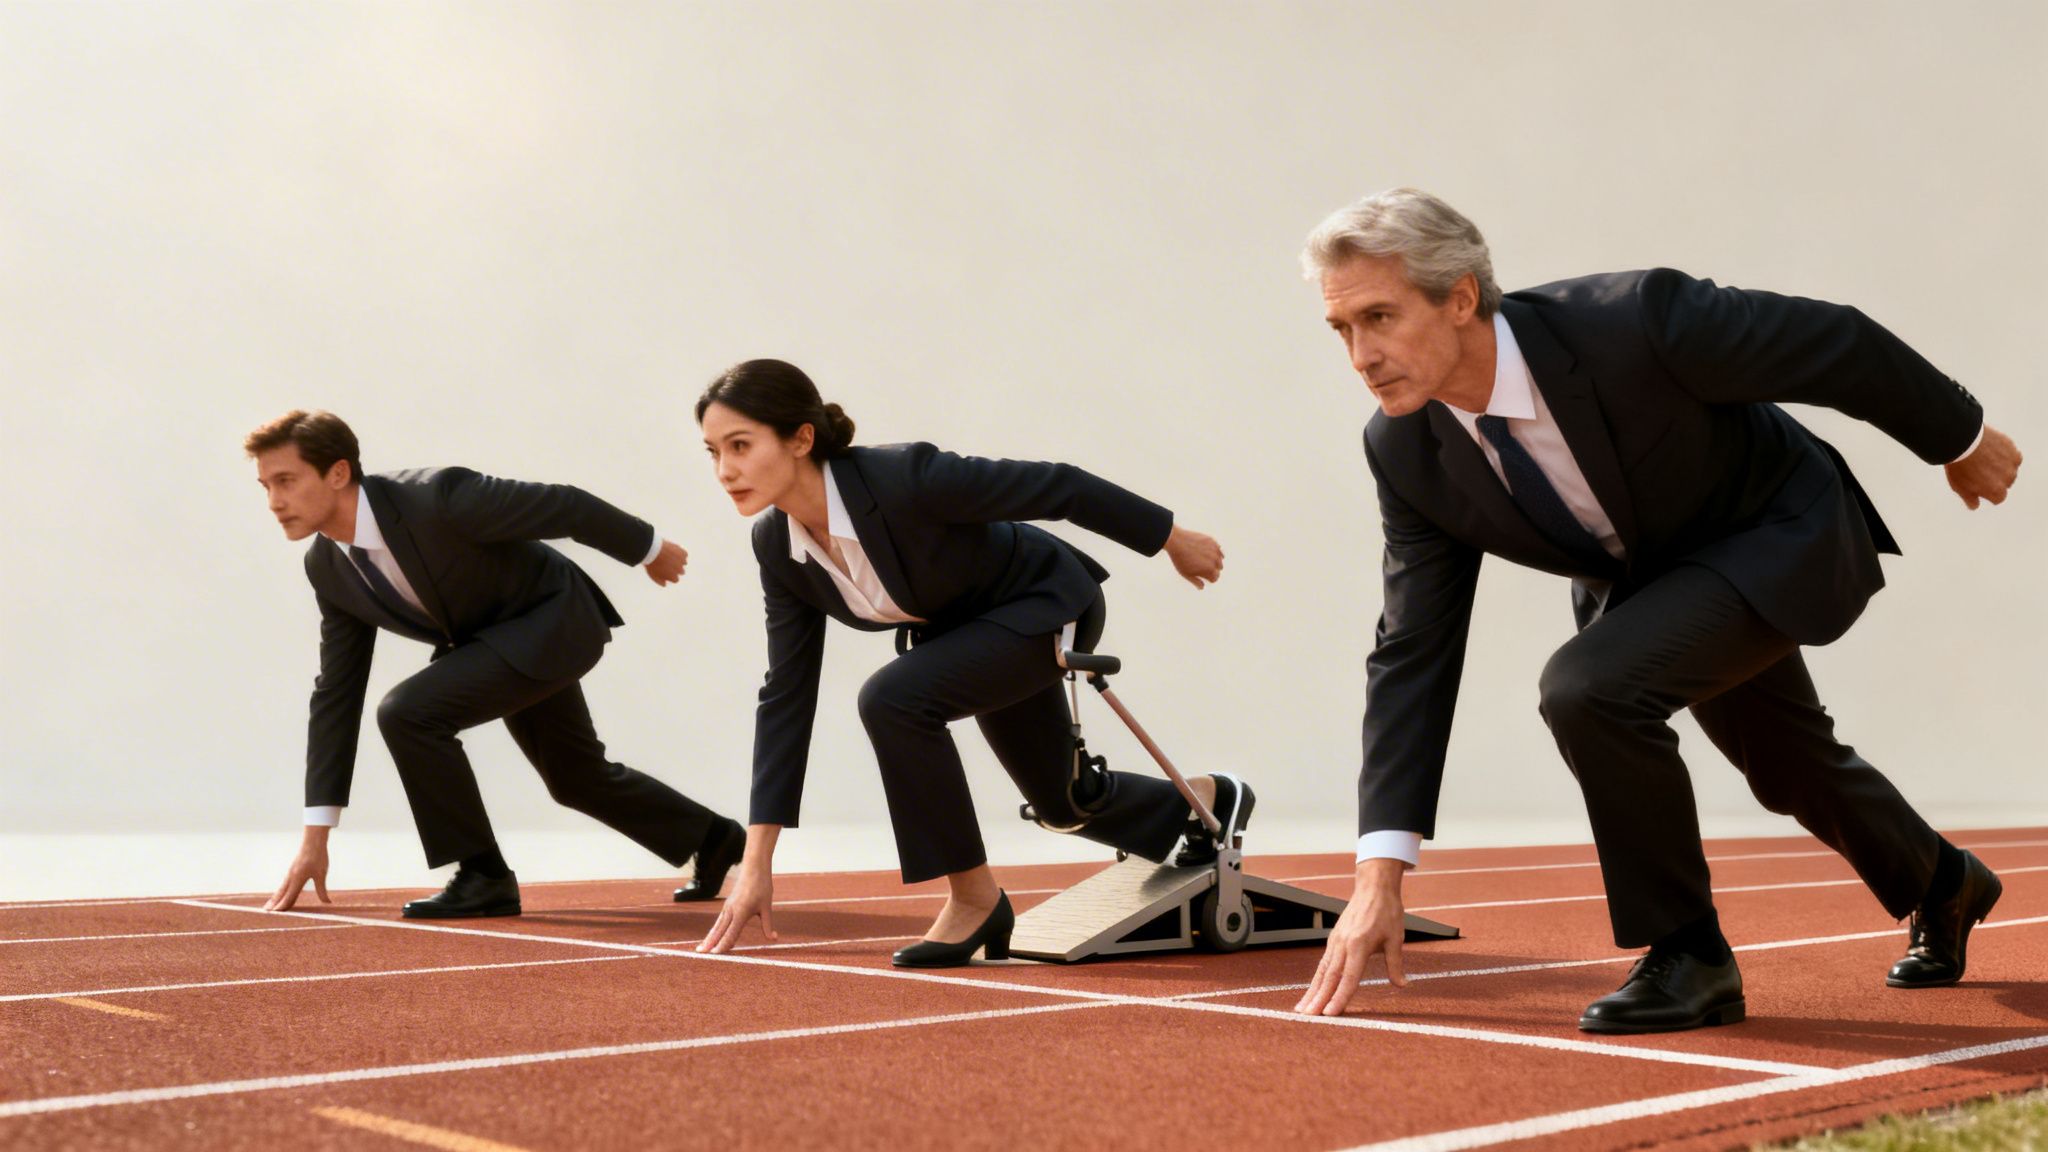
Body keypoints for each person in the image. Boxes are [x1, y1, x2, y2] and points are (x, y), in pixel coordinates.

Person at [1290, 189, 2023, 1032]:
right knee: (1785, 761)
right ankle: (1944, 882)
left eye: (1379, 317)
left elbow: (1836, 341)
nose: (1360, 355)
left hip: (1776, 532)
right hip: (1656, 578)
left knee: (1589, 687)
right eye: (1342, 329)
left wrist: (1959, 440)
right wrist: (1379, 871)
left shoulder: (1634, 321)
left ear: (1459, 298)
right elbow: (1413, 647)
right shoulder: (1405, 449)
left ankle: (1688, 954)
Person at [690, 360, 1248, 968]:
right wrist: (757, 863)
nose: (725, 470)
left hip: (1040, 601)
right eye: (714, 451)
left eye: (740, 446)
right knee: (1065, 805)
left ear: (800, 438)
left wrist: (1170, 537)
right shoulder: (777, 545)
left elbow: (1058, 485)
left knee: (894, 699)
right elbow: (787, 693)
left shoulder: (902, 477)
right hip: (964, 634)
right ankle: (1203, 801)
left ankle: (975, 899)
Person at [248, 410, 747, 918]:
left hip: (555, 620)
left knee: (408, 712)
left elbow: (566, 506)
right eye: (265, 485)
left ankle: (482, 874)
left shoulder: (435, 498)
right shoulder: (327, 566)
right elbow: (337, 690)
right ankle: (714, 839)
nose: (274, 501)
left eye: (286, 481)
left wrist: (648, 548)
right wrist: (316, 836)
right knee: (575, 777)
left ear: (337, 473)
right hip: (495, 642)